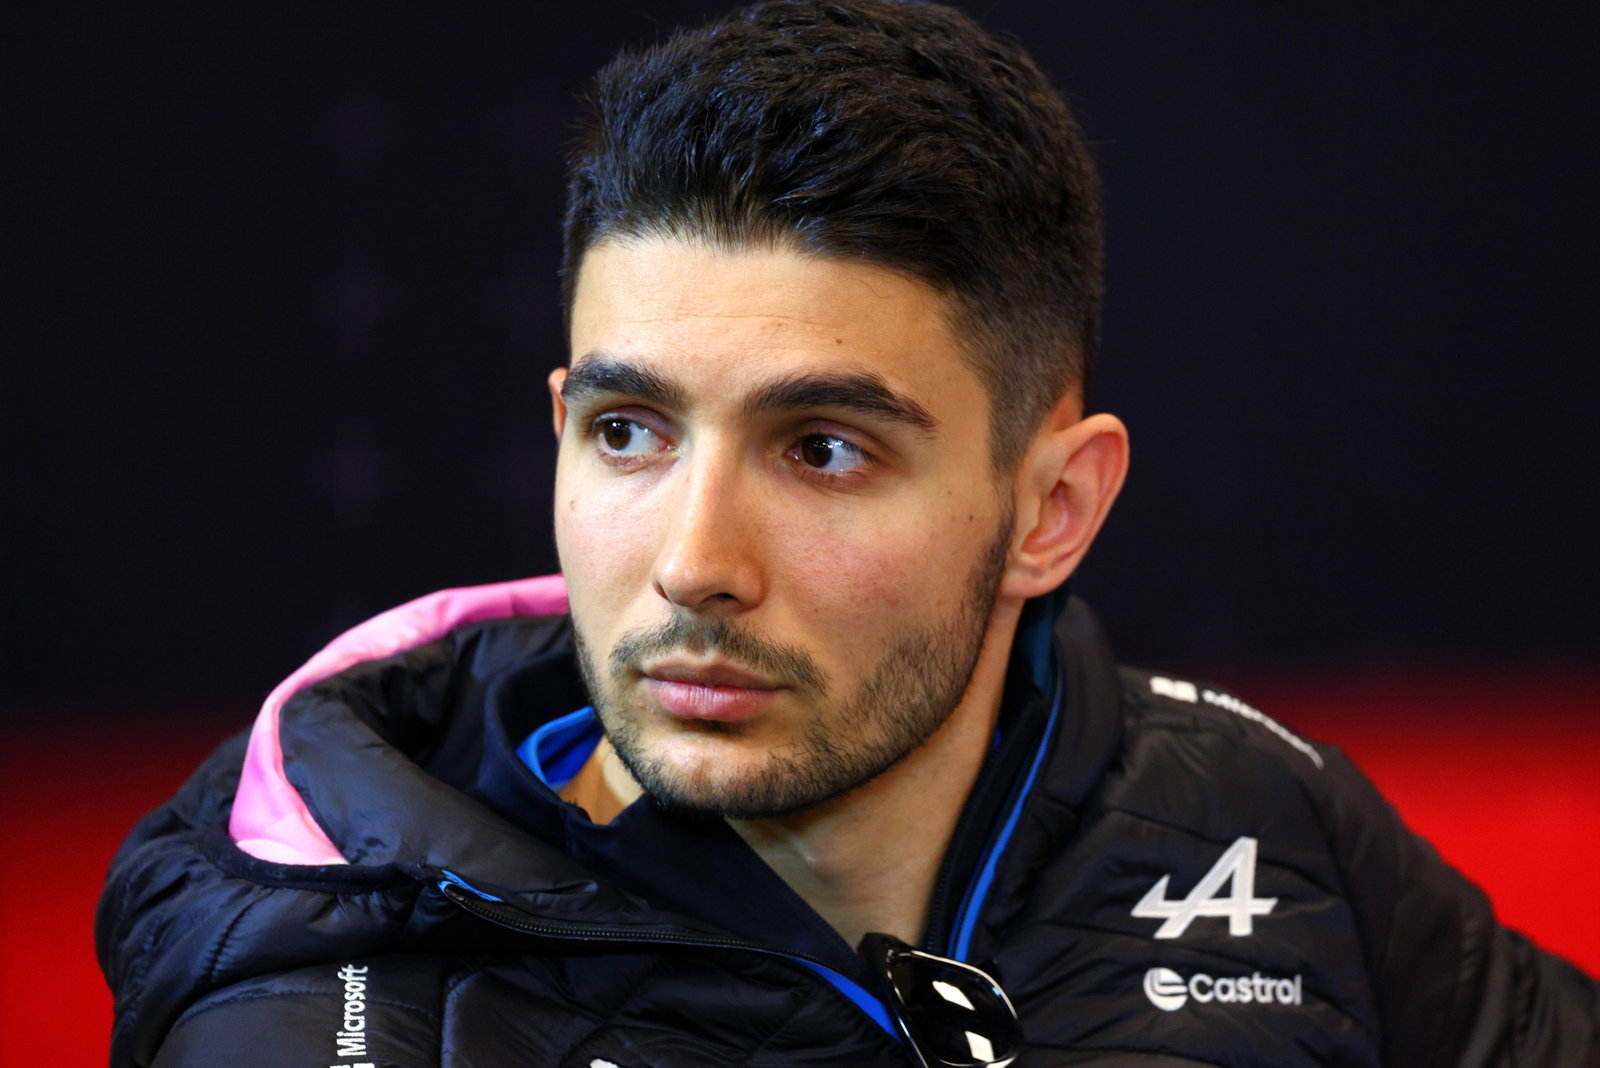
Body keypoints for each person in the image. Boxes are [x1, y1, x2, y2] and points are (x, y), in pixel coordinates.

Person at [97, 1, 1597, 1065]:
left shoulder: (1267, 827)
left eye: (822, 450)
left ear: (1050, 508)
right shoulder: (312, 1003)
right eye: (629, 433)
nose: (693, 561)